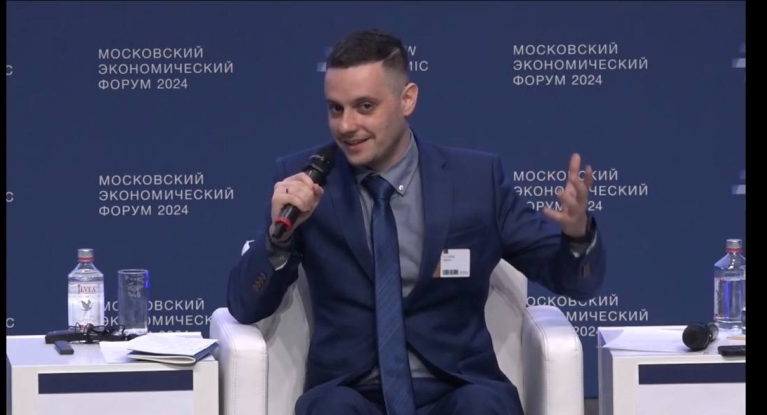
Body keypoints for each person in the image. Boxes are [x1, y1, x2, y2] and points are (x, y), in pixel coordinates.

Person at [226, 29, 606, 415]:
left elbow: (572, 281)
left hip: (458, 387)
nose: (346, 125)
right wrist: (279, 238)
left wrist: (577, 237)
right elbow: (245, 305)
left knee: (481, 408)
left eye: (365, 106)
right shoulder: (305, 181)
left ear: (407, 99)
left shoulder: (476, 181)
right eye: (336, 109)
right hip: (351, 391)